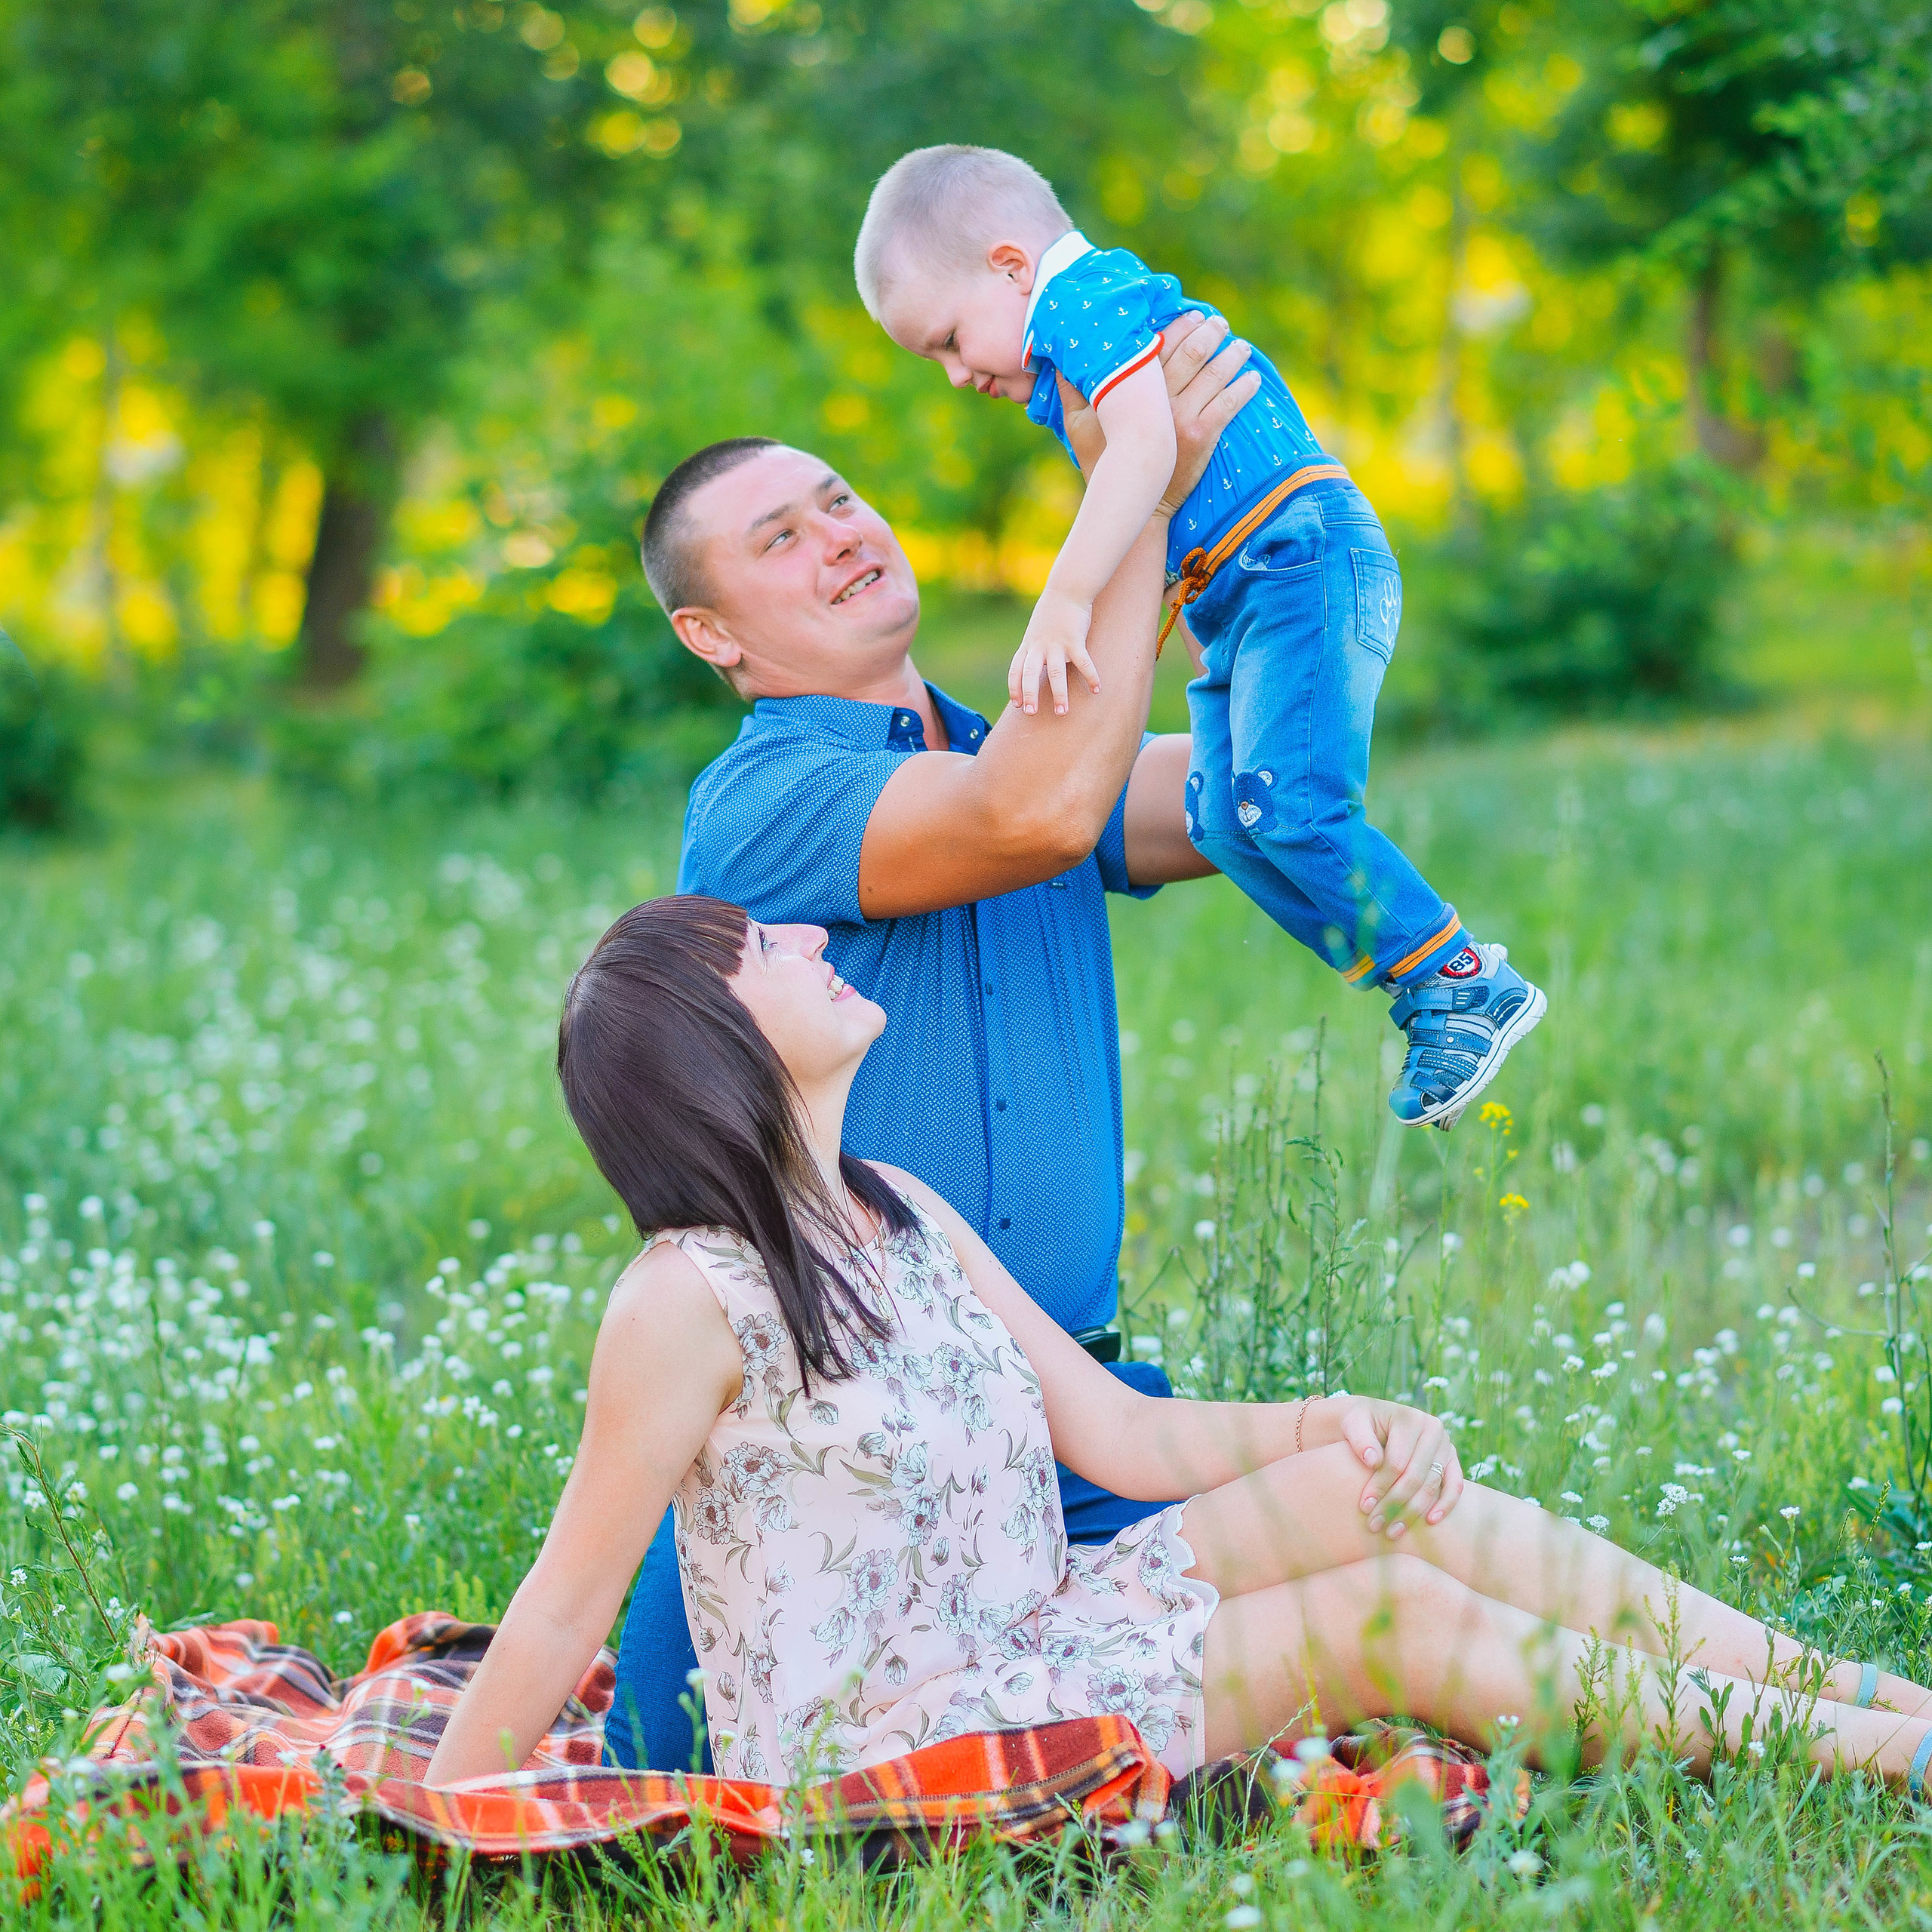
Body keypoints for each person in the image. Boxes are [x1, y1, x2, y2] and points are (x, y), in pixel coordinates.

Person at [426, 900, 1932, 1798]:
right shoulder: (684, 1296)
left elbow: (1118, 1440)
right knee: (1381, 1613)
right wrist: (451, 1826)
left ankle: (1861, 1692)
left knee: (1372, 1497)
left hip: (1034, 1638)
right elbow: (563, 1604)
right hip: (880, 1751)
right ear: (711, 1045)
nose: (812, 935)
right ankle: (1874, 1761)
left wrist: (1334, 1414)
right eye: (765, 947)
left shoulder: (902, 1206)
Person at [601, 310, 1258, 1770]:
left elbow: (1258, 789)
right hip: (853, 1449)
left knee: (1395, 1579)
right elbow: (1031, 814)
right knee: (677, 1785)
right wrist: (1131, 487)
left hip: (1081, 1422)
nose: (836, 535)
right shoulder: (761, 801)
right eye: (777, 538)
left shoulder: (1018, 746)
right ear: (711, 635)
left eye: (838, 499)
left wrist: (1248, 510)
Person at [854, 143, 1546, 1132]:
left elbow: (1147, 449)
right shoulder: (1062, 340)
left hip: (1298, 558)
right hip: (1240, 588)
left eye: (951, 340)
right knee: (1223, 818)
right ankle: (1421, 984)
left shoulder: (1082, 299)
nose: (957, 374)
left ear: (1011, 266)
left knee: (1291, 805)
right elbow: (1162, 477)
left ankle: (1463, 981)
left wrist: (1064, 598)